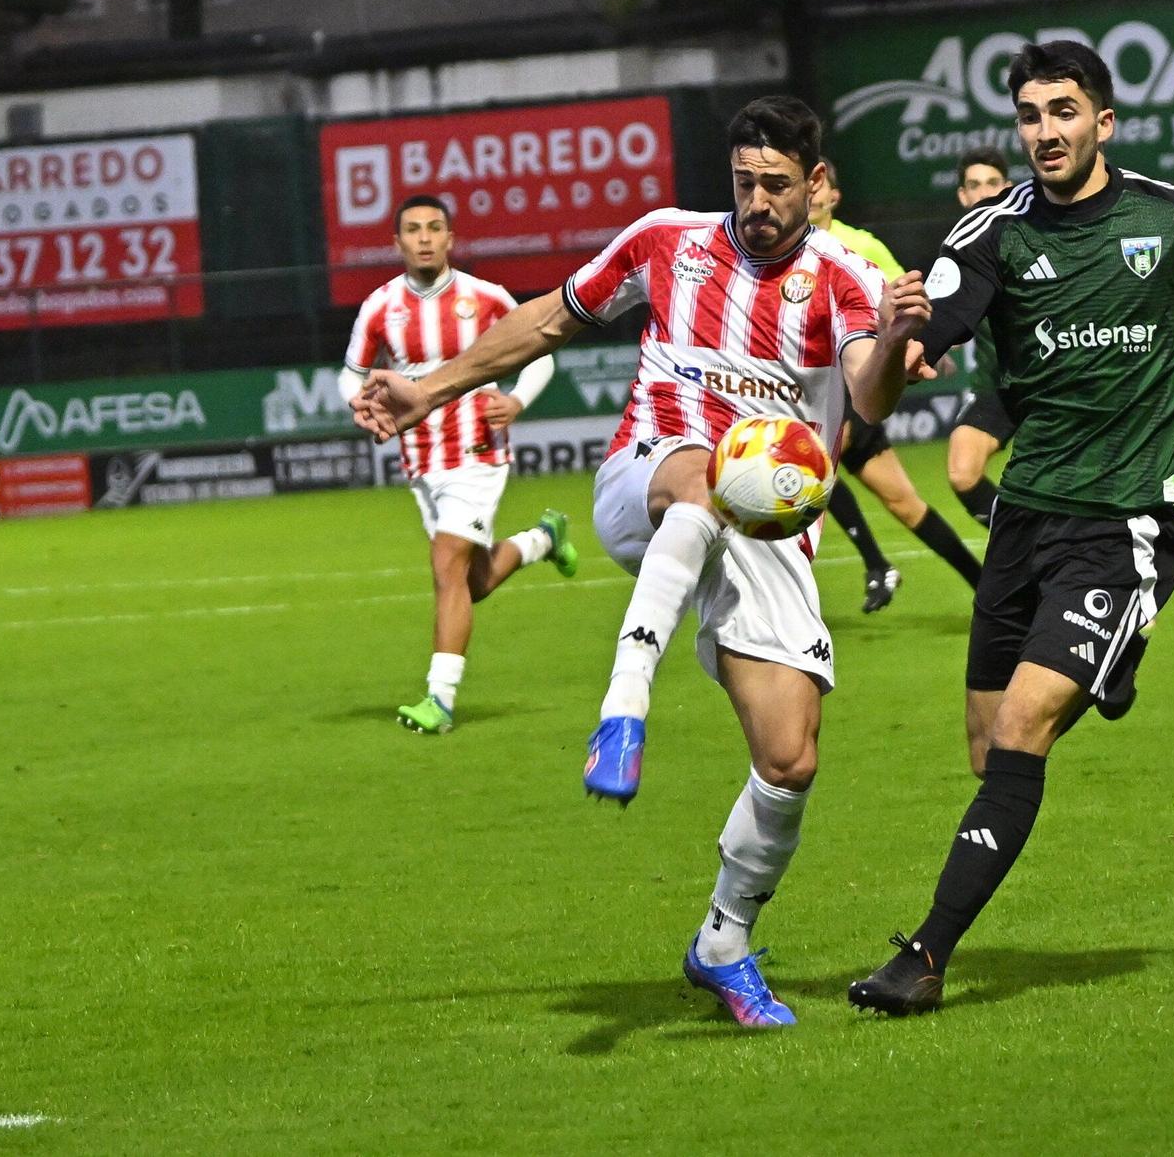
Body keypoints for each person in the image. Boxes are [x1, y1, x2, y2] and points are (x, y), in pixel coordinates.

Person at [353, 98, 932, 1027]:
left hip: (768, 536)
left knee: (789, 759)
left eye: (775, 185)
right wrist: (428, 389)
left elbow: (868, 393)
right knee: (704, 476)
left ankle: (723, 943)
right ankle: (621, 710)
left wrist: (901, 334)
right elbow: (549, 319)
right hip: (648, 475)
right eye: (743, 181)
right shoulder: (668, 239)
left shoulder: (845, 278)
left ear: (816, 186)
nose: (755, 201)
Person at [848, 42, 1174, 1015]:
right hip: (1023, 519)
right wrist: (908, 340)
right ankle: (1104, 658)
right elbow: (936, 328)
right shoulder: (987, 235)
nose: (1043, 132)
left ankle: (925, 954)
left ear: (1103, 121)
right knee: (988, 752)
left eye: (1062, 111)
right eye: (1027, 114)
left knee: (1021, 727)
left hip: (1121, 520)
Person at [339, 193, 577, 735]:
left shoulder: (486, 297)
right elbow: (351, 373)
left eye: (435, 228)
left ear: (451, 238)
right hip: (420, 460)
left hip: (477, 453)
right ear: (396, 242)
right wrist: (357, 403)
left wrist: (516, 400)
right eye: (414, 229)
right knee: (472, 581)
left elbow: (541, 350)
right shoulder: (379, 307)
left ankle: (439, 700)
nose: (424, 237)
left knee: (446, 564)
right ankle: (542, 538)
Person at [806, 158, 984, 612]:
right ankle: (987, 587)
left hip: (855, 384)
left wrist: (926, 341)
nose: (810, 195)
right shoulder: (790, 250)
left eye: (818, 187)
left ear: (833, 197)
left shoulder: (858, 244)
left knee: (809, 467)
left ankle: (876, 565)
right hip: (822, 388)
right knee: (906, 505)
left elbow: (909, 296)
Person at [942, 148, 1018, 528]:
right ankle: (1023, 543)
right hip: (995, 384)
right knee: (962, 471)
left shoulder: (1031, 237)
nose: (984, 193)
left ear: (1007, 189)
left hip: (1053, 382)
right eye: (975, 185)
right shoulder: (955, 254)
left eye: (993, 183)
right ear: (962, 196)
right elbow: (942, 317)